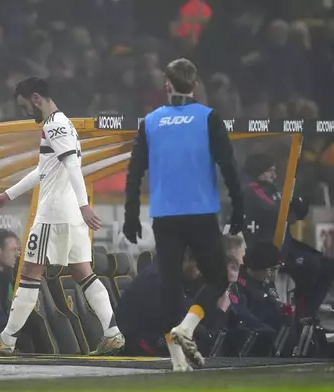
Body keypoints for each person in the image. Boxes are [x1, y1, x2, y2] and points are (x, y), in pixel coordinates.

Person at [0, 77, 125, 355]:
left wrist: (84, 205)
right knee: (84, 272)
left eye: (24, 107)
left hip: (54, 214)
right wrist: (8, 195)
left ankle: (7, 339)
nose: (24, 113)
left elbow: (71, 166)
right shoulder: (61, 124)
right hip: (70, 215)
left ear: (35, 98)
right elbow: (44, 170)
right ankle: (112, 332)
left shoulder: (54, 125)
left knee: (30, 273)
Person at [122, 58, 244, 371]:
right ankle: (187, 328)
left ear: (167, 85)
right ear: (195, 85)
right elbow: (228, 166)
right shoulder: (208, 118)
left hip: (165, 216)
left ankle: (178, 362)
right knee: (217, 277)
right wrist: (238, 207)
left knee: (170, 287)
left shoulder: (150, 121)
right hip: (201, 211)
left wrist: (131, 215)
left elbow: (134, 172)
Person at [242, 153, 334, 333]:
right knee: (311, 265)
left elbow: (298, 210)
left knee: (330, 266)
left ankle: (309, 314)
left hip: (287, 244)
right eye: (270, 171)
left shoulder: (274, 189)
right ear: (259, 172)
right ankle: (301, 316)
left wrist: (292, 208)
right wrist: (289, 209)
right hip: (270, 248)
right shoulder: (251, 189)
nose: (274, 175)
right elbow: (273, 210)